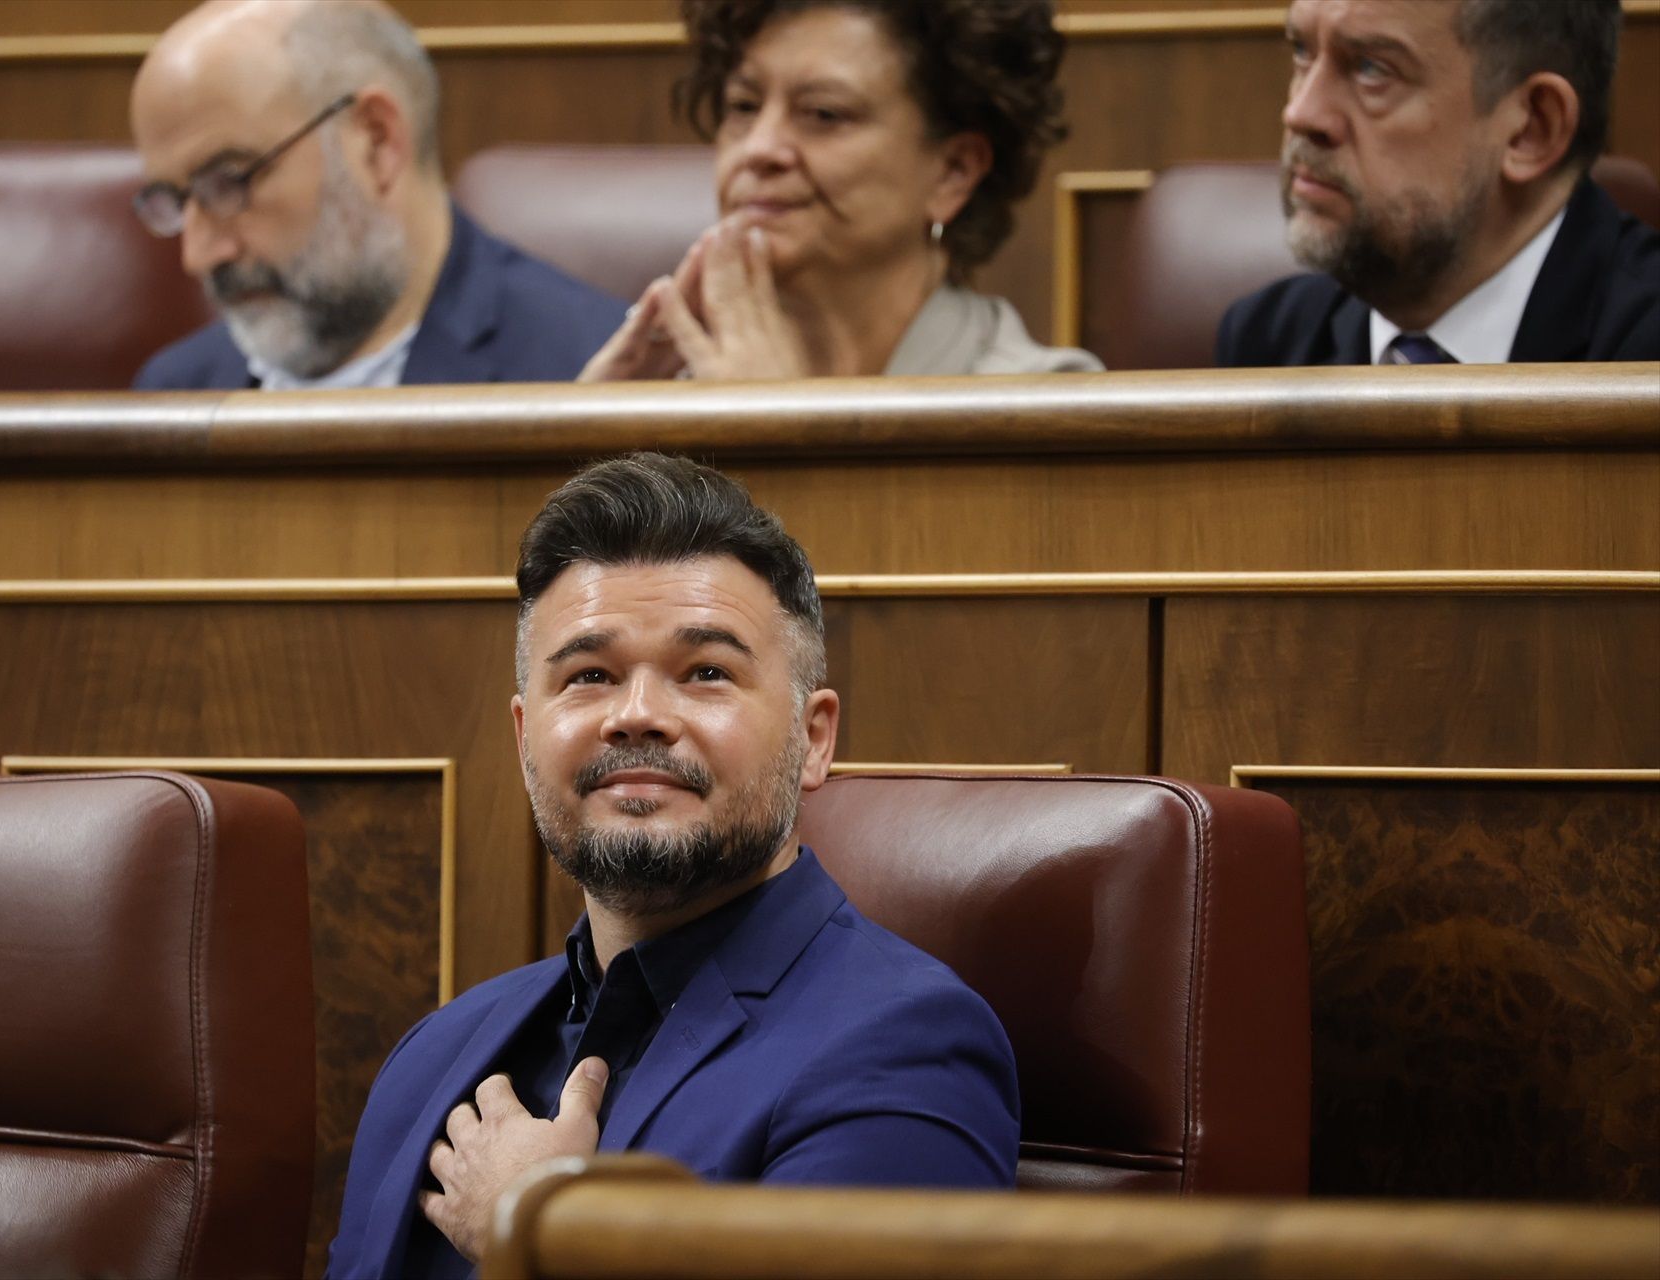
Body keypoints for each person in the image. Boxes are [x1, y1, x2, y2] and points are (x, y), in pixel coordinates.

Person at [327, 454, 1020, 1278]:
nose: (639, 715)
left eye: (706, 674)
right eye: (589, 676)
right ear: (523, 739)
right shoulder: (435, 1054)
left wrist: (547, 1232)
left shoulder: (907, 1045)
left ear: (816, 738)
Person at [582, 0, 1099, 381]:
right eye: (743, 106)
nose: (759, 149)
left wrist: (770, 437)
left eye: (824, 114)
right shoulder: (670, 390)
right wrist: (590, 444)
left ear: (953, 172)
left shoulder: (1044, 407)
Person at [127, 0, 624, 390]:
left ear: (375, 142)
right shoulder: (174, 392)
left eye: (228, 183)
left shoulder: (593, 374)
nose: (197, 255)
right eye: (175, 199)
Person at [1218, 0, 1660, 366]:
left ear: (1530, 129)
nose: (1301, 113)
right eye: (1302, 50)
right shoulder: (1265, 343)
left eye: (1371, 68)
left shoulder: (1642, 357)